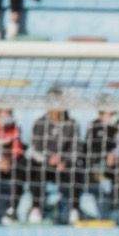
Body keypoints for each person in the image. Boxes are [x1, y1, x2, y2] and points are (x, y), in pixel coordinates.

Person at [29, 94, 86, 224]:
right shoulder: (39, 123)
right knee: (33, 168)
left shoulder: (72, 124)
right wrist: (49, 159)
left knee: (77, 170)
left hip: (65, 166)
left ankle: (74, 209)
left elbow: (77, 149)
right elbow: (34, 149)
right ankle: (36, 208)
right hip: (44, 165)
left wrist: (64, 160)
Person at [83, 103, 119, 222]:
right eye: (102, 113)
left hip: (118, 167)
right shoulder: (93, 126)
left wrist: (116, 155)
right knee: (92, 180)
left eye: (109, 113)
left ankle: (115, 211)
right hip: (97, 166)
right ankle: (100, 214)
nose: (105, 116)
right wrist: (102, 159)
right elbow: (88, 148)